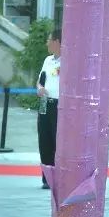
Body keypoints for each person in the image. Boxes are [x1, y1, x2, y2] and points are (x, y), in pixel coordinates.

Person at [36, 29, 62, 188]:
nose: (47, 43)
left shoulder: (68, 61)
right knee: (43, 139)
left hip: (59, 105)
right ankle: (46, 177)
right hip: (45, 103)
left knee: (56, 140)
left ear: (57, 41)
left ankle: (58, 176)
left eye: (49, 40)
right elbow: (40, 80)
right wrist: (39, 88)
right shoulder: (48, 60)